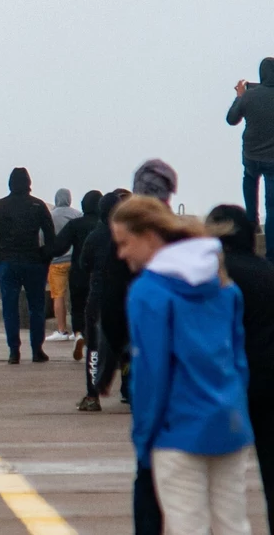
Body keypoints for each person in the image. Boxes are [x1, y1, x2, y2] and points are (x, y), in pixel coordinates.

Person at [113, 196, 253, 535]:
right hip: (229, 424)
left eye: (124, 242)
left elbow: (151, 374)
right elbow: (238, 361)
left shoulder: (148, 292)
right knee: (233, 523)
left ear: (149, 236)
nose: (121, 254)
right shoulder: (222, 283)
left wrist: (144, 439)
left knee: (187, 526)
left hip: (178, 431)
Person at [97, 160, 178, 535]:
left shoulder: (130, 236)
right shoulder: (191, 239)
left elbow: (110, 301)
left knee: (148, 476)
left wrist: (120, 352)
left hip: (151, 364)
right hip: (207, 395)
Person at [207, 204, 274, 535]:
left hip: (224, 387)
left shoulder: (214, 276)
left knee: (217, 482)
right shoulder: (267, 272)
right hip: (269, 383)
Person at [0, 168, 56, 364]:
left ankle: (14, 351)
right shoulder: (37, 205)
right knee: (36, 307)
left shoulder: (0, 206)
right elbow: (50, 236)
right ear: (28, 183)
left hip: (8, 262)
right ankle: (37, 350)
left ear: (10, 183)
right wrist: (45, 259)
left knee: (9, 308)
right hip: (34, 262)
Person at [75, 189, 127, 412]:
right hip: (124, 298)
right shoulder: (128, 235)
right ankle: (131, 391)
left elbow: (83, 264)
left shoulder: (95, 237)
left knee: (94, 348)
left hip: (98, 298)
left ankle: (92, 395)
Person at [227, 57, 274, 263]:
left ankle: (252, 222)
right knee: (272, 207)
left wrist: (240, 96)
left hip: (251, 155)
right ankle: (271, 256)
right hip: (273, 160)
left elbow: (231, 119)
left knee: (249, 180)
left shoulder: (249, 97)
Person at [49, 190, 102, 361]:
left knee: (77, 306)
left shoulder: (75, 224)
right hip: (99, 275)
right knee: (97, 307)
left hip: (78, 272)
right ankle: (96, 339)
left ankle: (79, 334)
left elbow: (59, 247)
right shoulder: (104, 226)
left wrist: (43, 253)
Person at [46, 189, 83, 341]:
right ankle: (79, 332)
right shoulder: (77, 215)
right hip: (75, 260)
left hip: (56, 261)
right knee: (78, 296)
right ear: (69, 199)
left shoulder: (51, 216)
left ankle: (61, 330)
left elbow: (43, 237)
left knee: (58, 296)